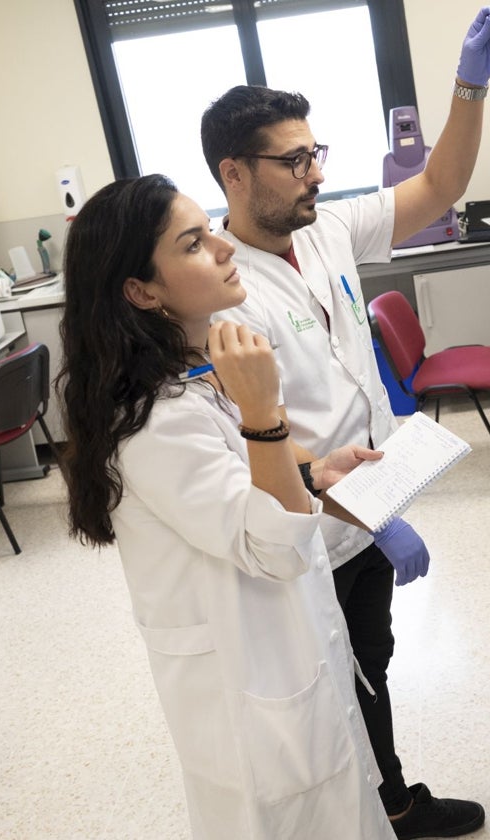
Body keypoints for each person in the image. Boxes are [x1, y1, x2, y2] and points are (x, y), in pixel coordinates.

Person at [199, 7, 490, 838]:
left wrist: (467, 86)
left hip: (370, 506)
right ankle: (390, 809)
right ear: (235, 174)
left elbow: (440, 187)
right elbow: (245, 434)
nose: (312, 172)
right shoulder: (222, 290)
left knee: (368, 664)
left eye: (316, 154)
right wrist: (362, 509)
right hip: (311, 529)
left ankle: (388, 801)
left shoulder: (330, 225)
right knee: (342, 679)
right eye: (292, 159)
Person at [55, 173, 396, 840]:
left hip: (291, 657)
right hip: (250, 695)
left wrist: (316, 477)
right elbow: (272, 545)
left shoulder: (196, 377)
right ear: (142, 291)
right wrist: (265, 414)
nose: (224, 247)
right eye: (194, 243)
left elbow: (249, 496)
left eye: (210, 229)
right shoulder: (155, 424)